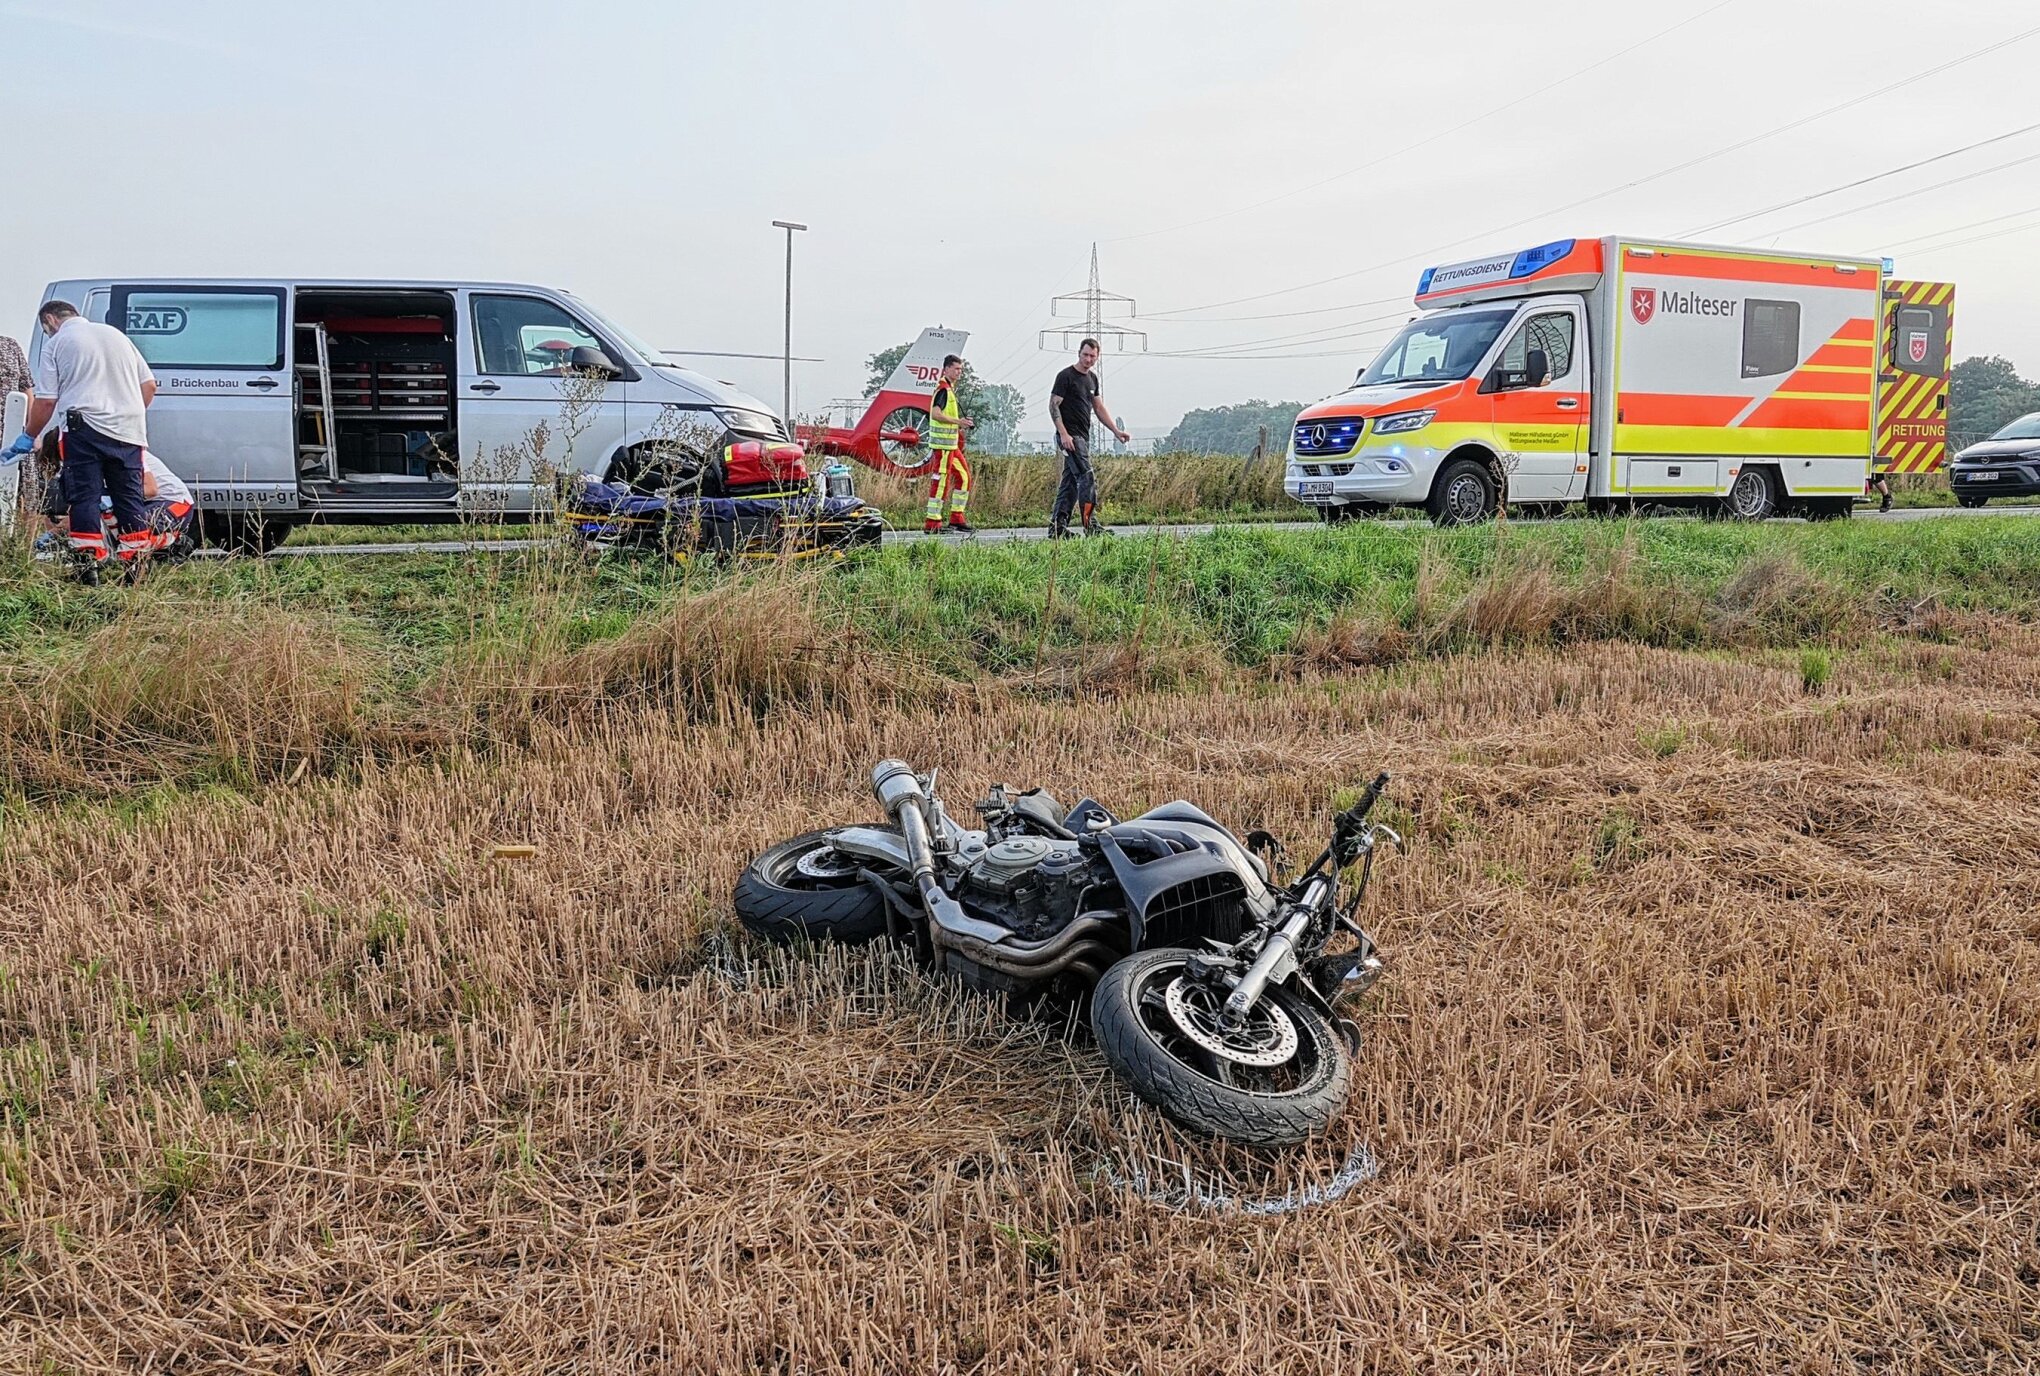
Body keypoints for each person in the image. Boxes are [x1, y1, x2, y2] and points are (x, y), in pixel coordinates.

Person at [17, 301, 157, 583]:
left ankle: (87, 568)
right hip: (129, 431)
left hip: (85, 430)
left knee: (84, 498)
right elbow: (149, 385)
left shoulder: (57, 343)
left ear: (49, 320)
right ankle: (136, 571)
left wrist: (29, 435)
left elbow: (46, 400)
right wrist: (126, 414)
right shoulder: (116, 335)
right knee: (129, 500)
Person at [1048, 338, 1129, 538]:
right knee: (1086, 476)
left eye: (1093, 356)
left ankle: (1057, 529)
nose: (1088, 359)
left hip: (1084, 436)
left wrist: (1116, 431)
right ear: (1079, 353)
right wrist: (1064, 434)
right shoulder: (1066, 376)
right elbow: (1053, 405)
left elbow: (1099, 407)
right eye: (1085, 355)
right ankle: (1090, 525)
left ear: (1097, 357)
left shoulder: (1092, 379)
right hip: (1070, 436)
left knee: (1070, 483)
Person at [922, 353, 974, 534]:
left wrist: (961, 422)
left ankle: (956, 518)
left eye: (961, 369)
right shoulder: (943, 389)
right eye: (956, 369)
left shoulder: (950, 389)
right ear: (946, 369)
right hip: (943, 447)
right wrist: (958, 422)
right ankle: (932, 523)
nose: (960, 372)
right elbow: (935, 414)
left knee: (964, 478)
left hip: (952, 446)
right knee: (941, 482)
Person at [0, 332, 32, 528]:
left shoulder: (10, 346)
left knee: (26, 495)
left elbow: (27, 389)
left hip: (13, 434)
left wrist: (32, 432)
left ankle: (21, 551)